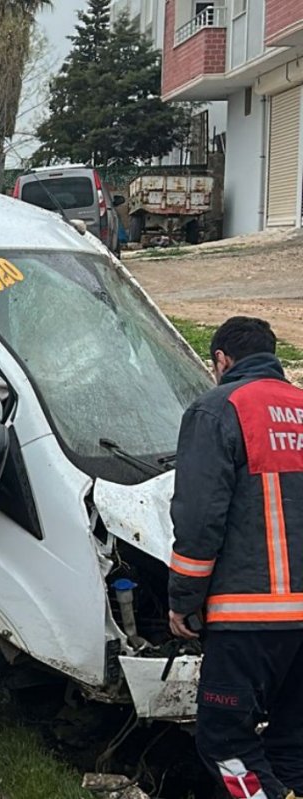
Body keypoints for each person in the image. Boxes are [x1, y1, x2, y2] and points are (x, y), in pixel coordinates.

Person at [168, 316, 303, 799]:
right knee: (291, 747)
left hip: (251, 619)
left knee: (225, 742)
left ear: (221, 360)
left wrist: (184, 599)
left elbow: (200, 519)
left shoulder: (218, 409)